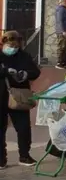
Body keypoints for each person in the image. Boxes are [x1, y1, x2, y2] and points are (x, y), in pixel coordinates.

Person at [1, 31, 42, 168]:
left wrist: (25, 74)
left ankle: (24, 156)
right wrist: (6, 71)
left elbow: (35, 72)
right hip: (1, 95)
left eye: (15, 45)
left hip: (19, 97)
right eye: (10, 45)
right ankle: (1, 159)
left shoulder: (24, 56)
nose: (12, 48)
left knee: (23, 127)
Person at [55, 0, 66, 68]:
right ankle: (59, 63)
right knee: (62, 46)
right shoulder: (61, 9)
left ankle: (64, 63)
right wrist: (63, 31)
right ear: (65, 2)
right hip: (62, 31)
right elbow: (59, 21)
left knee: (65, 47)